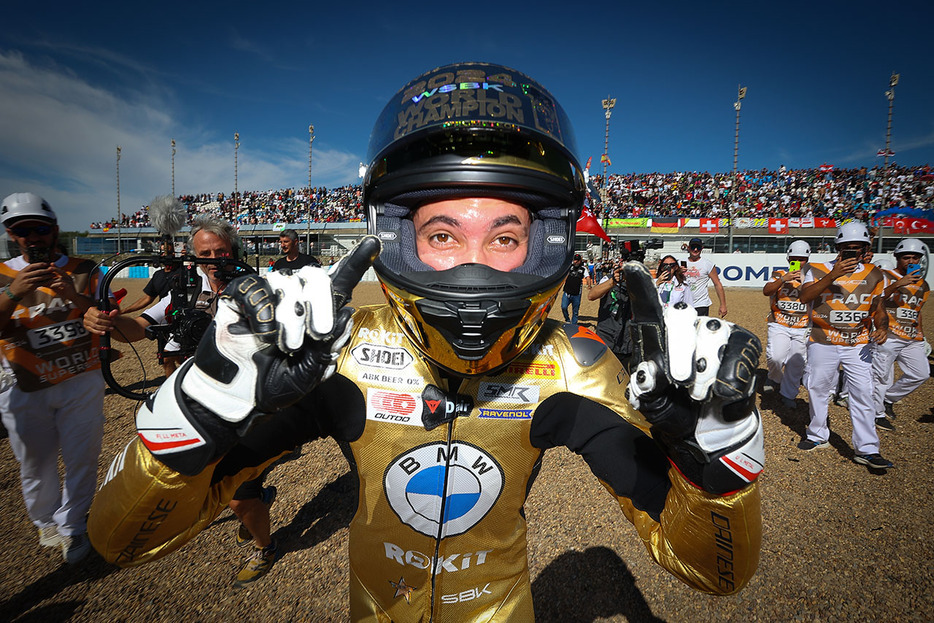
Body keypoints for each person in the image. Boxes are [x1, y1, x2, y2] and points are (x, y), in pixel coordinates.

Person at [87, 62, 764, 620]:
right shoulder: (336, 357)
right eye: (443, 235)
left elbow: (714, 571)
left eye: (505, 236)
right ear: (400, 239)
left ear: (547, 243)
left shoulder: (571, 368)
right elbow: (120, 540)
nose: (475, 265)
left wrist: (718, 466)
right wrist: (197, 407)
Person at [83, 215, 284, 586]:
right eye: (205, 253)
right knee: (202, 482)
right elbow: (140, 328)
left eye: (220, 251)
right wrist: (109, 322)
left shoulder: (262, 288)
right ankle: (258, 500)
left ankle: (265, 546)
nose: (214, 258)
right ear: (194, 256)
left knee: (238, 497)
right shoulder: (183, 290)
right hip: (195, 410)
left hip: (247, 410)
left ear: (233, 250)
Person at [0, 192, 106, 564]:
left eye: (40, 228)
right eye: (22, 229)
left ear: (54, 229)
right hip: (25, 384)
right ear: (12, 234)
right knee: (35, 462)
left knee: (83, 458)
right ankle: (44, 519)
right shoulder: (2, 273)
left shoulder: (84, 268)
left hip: (81, 378)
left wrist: (72, 295)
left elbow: (104, 316)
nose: (33, 236)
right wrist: (14, 292)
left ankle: (74, 526)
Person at [797, 222, 892, 470]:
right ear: (837, 247)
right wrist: (832, 275)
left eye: (858, 249)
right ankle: (817, 435)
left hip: (857, 343)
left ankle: (868, 449)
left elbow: (878, 308)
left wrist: (883, 327)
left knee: (862, 393)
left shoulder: (874, 274)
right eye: (847, 248)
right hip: (823, 338)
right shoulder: (816, 269)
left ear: (865, 250)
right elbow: (805, 297)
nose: (853, 252)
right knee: (818, 388)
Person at [871, 238, 930, 431]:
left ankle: (888, 399)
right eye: (906, 257)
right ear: (897, 257)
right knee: (881, 376)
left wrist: (922, 335)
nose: (911, 261)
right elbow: (874, 299)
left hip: (912, 337)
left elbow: (916, 309)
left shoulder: (923, 284)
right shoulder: (885, 275)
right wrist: (898, 284)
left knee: (921, 373)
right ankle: (877, 413)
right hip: (888, 334)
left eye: (915, 257)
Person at [762, 240, 811, 408]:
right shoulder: (779, 273)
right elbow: (766, 291)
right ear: (788, 258)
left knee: (796, 362)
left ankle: (788, 394)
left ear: (807, 259)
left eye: (801, 258)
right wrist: (784, 279)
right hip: (779, 322)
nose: (797, 262)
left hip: (803, 326)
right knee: (775, 357)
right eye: (794, 258)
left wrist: (804, 281)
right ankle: (774, 377)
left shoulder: (813, 275)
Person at [587, 257, 631, 368]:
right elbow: (591, 295)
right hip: (607, 337)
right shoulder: (609, 279)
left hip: (628, 341)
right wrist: (613, 282)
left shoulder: (639, 283)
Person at [683, 238, 727, 317]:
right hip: (683, 303)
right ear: (689, 248)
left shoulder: (707, 264)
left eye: (698, 247)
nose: (695, 250)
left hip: (701, 304)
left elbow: (717, 284)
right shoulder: (680, 263)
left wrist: (723, 305)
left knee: (699, 328)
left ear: (702, 248)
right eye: (693, 247)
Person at [561, 253, 586, 324]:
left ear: (580, 261)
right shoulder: (569, 267)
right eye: (575, 260)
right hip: (567, 292)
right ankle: (567, 320)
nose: (576, 261)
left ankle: (574, 324)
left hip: (576, 293)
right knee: (564, 307)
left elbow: (587, 277)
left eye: (577, 260)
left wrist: (589, 285)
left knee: (575, 311)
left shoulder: (583, 269)